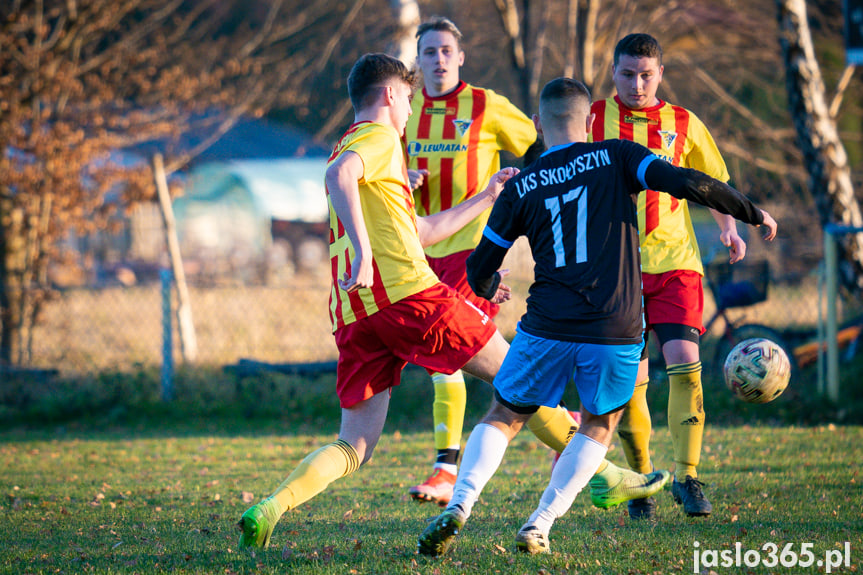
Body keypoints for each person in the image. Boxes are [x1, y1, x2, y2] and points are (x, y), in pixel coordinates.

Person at [235, 53, 624, 551]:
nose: (410, 109)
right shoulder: (376, 138)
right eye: (408, 97)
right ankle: (604, 474)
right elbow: (340, 181)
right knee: (518, 375)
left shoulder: (351, 146)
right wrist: (363, 254)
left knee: (354, 445)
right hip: (410, 299)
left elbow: (418, 230)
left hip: (357, 315)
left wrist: (486, 197)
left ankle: (271, 507)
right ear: (391, 95)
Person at [417, 77, 777, 556]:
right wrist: (749, 212)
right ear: (589, 121)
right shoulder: (619, 155)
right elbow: (689, 182)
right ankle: (539, 523)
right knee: (599, 423)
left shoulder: (521, 186)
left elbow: (479, 266)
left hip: (544, 324)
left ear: (540, 128)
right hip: (614, 328)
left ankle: (460, 505)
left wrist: (487, 288)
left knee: (504, 412)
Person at [404, 16, 571, 507]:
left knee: (451, 361)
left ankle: (444, 470)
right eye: (428, 51)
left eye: (445, 51)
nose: (437, 60)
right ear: (418, 60)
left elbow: (540, 150)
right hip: (416, 255)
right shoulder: (402, 107)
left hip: (473, 256)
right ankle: (564, 423)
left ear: (460, 57)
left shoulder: (486, 105)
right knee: (476, 360)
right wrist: (401, 171)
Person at [589, 33, 748, 519]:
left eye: (646, 75)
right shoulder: (593, 118)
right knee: (630, 385)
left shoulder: (683, 122)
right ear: (613, 71)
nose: (637, 84)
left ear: (660, 74)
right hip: (616, 271)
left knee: (685, 364)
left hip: (677, 263)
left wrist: (730, 229)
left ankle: (688, 475)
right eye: (627, 74)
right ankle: (641, 481)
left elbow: (711, 180)